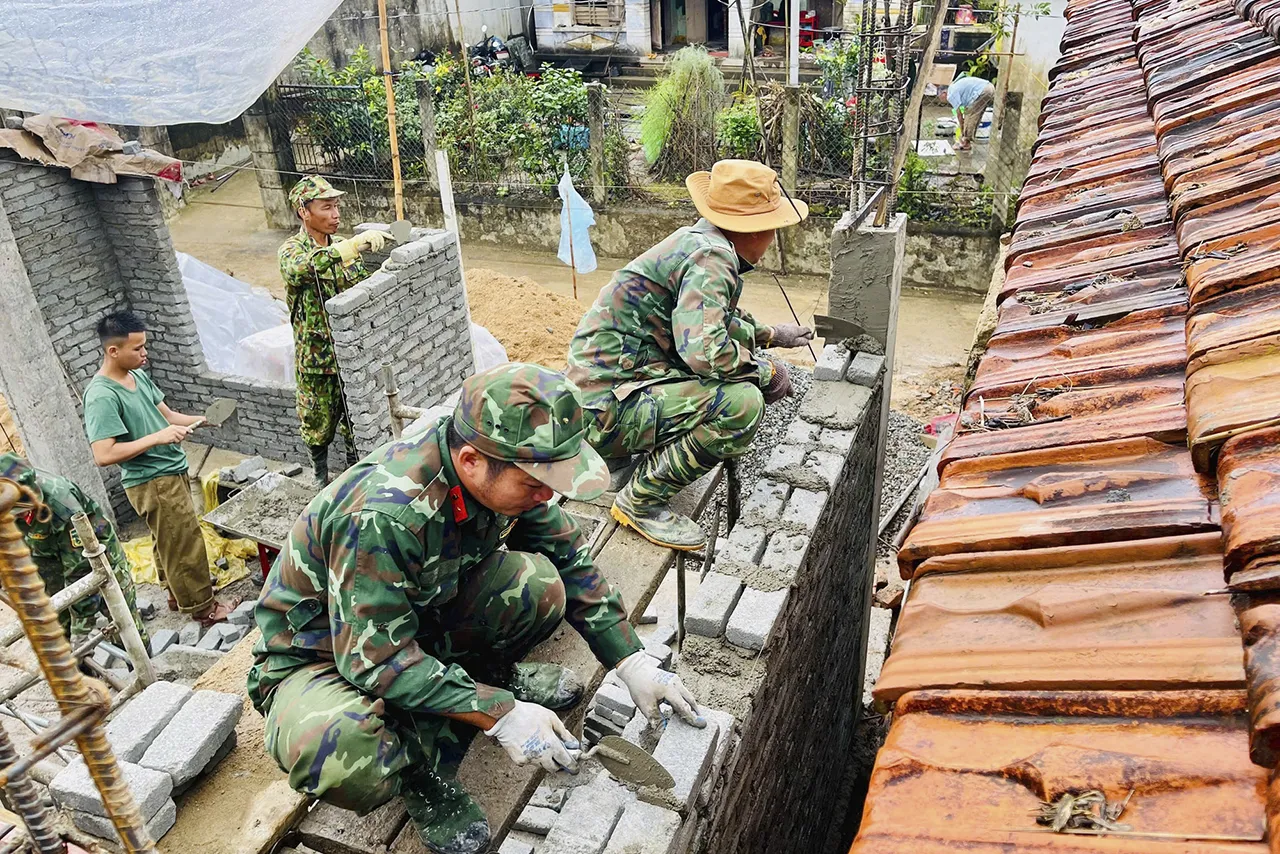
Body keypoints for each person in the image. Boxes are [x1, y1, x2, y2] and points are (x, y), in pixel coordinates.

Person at [248, 363, 703, 854]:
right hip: (324, 655)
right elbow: (374, 659)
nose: (546, 495)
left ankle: (493, 675)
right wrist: (500, 715)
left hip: (413, 618)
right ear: (470, 462)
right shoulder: (385, 518)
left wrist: (629, 658)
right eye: (534, 484)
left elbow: (569, 560)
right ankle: (419, 778)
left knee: (540, 587)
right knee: (343, 756)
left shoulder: (507, 467)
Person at [566, 159, 814, 550]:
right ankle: (642, 500)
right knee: (742, 403)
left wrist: (771, 335)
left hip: (599, 398)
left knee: (728, 385)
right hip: (604, 412)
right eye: (772, 227)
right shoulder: (712, 259)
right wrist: (764, 374)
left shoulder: (699, 244)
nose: (773, 238)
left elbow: (710, 321)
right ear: (752, 229)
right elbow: (706, 352)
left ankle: (620, 459)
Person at [83, 311, 237, 627]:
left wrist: (201, 420)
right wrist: (158, 438)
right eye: (137, 348)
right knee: (185, 541)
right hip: (152, 480)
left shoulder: (136, 376)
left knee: (166, 539)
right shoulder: (102, 395)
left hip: (169, 469)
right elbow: (103, 453)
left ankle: (174, 592)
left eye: (145, 346)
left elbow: (166, 415)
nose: (145, 353)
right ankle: (203, 608)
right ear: (113, 351)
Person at [278, 176, 393, 485]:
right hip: (317, 360)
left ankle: (355, 477)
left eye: (336, 206)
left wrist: (382, 275)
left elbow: (359, 289)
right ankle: (320, 477)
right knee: (317, 423)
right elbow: (304, 267)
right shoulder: (292, 250)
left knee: (356, 421)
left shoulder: (343, 249)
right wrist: (350, 247)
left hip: (350, 358)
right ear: (304, 211)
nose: (335, 214)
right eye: (326, 207)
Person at [0, 453, 149, 649]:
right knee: (59, 623)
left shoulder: (62, 505)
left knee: (122, 619)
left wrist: (81, 632)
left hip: (95, 557)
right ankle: (84, 671)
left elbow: (83, 573)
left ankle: (144, 669)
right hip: (44, 558)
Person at [947, 73, 995, 150]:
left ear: (943, 93)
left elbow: (959, 116)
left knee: (970, 115)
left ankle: (965, 142)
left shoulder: (950, 94)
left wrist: (962, 131)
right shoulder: (954, 87)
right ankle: (967, 140)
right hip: (989, 87)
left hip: (982, 90)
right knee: (976, 115)